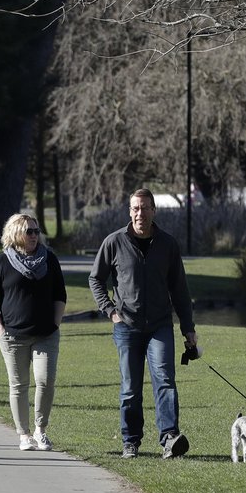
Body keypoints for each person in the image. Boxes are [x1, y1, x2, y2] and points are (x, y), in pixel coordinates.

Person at [89, 188, 197, 460]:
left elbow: (180, 290)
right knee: (130, 387)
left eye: (145, 208)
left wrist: (188, 329)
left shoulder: (168, 244)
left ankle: (169, 438)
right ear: (129, 211)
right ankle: (131, 441)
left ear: (153, 211)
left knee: (165, 381)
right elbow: (95, 279)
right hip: (127, 326)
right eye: (135, 208)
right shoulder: (114, 242)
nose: (140, 213)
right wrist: (111, 311)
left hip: (160, 325)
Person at [0, 214, 66, 451]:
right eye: (28, 231)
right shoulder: (1, 262)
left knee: (45, 381)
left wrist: (56, 323)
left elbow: (60, 294)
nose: (33, 235)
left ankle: (41, 430)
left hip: (46, 334)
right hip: (13, 335)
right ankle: (24, 434)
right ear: (15, 233)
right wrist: (0, 327)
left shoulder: (49, 259)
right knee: (18, 385)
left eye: (36, 231)